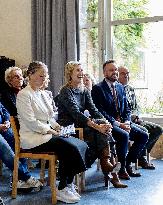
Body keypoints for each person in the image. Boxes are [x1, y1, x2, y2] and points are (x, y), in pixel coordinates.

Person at [16, 61, 89, 204]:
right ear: (30, 75)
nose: (44, 79)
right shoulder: (24, 95)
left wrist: (58, 128)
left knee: (80, 144)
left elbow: (50, 118)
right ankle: (61, 188)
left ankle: (67, 183)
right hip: (33, 138)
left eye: (45, 76)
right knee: (68, 147)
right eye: (41, 76)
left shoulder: (42, 93)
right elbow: (31, 122)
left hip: (47, 134)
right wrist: (51, 131)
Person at [57, 61, 127, 188]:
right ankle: (110, 171)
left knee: (103, 128)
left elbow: (94, 110)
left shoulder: (84, 90)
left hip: (83, 125)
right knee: (101, 130)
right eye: (77, 70)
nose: (81, 73)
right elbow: (76, 114)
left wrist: (106, 123)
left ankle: (107, 166)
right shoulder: (65, 91)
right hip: (70, 128)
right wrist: (98, 126)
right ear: (69, 74)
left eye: (81, 70)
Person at [91, 59, 149, 180]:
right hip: (109, 125)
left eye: (116, 70)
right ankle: (122, 170)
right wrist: (118, 124)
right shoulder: (97, 88)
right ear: (105, 73)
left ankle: (127, 164)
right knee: (123, 136)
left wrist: (127, 122)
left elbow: (127, 108)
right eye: (111, 70)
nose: (115, 72)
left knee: (143, 135)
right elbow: (100, 112)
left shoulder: (120, 87)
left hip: (123, 122)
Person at [118, 66, 163, 169]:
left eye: (128, 73)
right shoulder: (116, 89)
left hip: (136, 119)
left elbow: (135, 107)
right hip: (125, 121)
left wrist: (137, 116)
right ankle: (141, 158)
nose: (126, 76)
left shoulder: (130, 89)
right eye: (123, 73)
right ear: (117, 75)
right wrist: (131, 117)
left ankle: (140, 155)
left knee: (158, 129)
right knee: (144, 132)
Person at [0, 102, 43, 190]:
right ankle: (26, 177)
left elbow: (4, 110)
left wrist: (7, 121)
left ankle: (19, 179)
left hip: (3, 127)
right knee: (6, 151)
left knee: (19, 143)